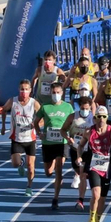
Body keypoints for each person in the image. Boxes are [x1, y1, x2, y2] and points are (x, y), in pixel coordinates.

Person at [37, 82, 76, 210]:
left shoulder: (68, 107)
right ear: (50, 93)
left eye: (58, 92)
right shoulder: (45, 107)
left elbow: (73, 123)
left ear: (62, 93)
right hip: (48, 142)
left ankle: (55, 198)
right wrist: (39, 133)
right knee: (48, 172)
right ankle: (52, 165)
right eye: (53, 92)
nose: (56, 95)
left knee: (59, 170)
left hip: (62, 142)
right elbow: (35, 122)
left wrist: (71, 136)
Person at [2, 78, 40, 195]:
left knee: (31, 165)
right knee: (15, 164)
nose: (24, 92)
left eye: (26, 89)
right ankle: (20, 163)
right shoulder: (13, 101)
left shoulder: (34, 103)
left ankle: (29, 187)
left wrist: (37, 125)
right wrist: (3, 126)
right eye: (22, 89)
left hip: (30, 139)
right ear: (18, 90)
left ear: (30, 90)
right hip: (17, 138)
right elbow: (3, 110)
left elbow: (42, 117)